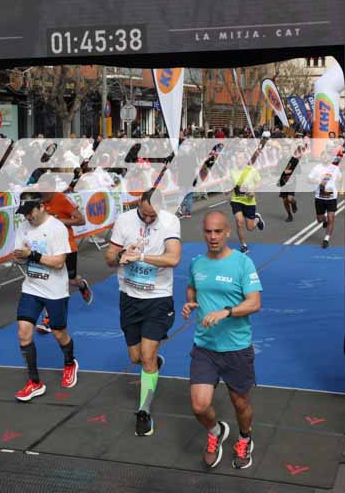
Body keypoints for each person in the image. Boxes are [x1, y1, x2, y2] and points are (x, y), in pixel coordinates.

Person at [182, 211, 262, 471]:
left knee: (240, 403)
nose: (213, 237)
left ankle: (245, 438)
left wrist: (226, 312)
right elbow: (192, 287)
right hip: (205, 347)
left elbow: (254, 303)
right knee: (199, 406)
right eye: (208, 231)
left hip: (236, 348)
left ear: (228, 232)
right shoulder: (197, 263)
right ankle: (216, 431)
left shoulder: (242, 263)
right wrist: (191, 302)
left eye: (218, 231)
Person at [104, 190, 182, 436]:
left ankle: (144, 411)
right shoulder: (124, 220)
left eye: (153, 216)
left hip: (158, 298)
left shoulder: (170, 221)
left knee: (146, 357)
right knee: (136, 357)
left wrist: (141, 256)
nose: (148, 219)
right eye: (144, 214)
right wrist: (121, 256)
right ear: (138, 204)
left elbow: (173, 258)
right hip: (129, 297)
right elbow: (108, 258)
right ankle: (154, 364)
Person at [11, 192, 78, 401]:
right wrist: (20, 257)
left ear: (41, 207)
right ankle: (34, 382)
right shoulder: (23, 227)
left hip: (55, 290)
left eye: (30, 212)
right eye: (24, 213)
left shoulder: (57, 228)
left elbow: (59, 262)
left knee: (59, 333)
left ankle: (70, 363)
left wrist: (32, 255)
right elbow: (19, 257)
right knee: (23, 333)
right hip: (31, 288)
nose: (27, 217)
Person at [35, 191, 93, 335]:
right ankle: (49, 319)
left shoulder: (62, 199)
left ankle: (81, 284)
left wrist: (58, 221)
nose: (42, 196)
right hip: (49, 249)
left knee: (71, 280)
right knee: (51, 282)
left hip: (68, 247)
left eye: (44, 192)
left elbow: (81, 220)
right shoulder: (38, 201)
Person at [229, 152, 265, 253]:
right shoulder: (232, 172)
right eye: (236, 158)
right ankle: (244, 245)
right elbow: (234, 186)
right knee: (239, 222)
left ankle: (257, 219)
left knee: (250, 227)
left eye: (240, 158)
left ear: (245, 160)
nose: (238, 160)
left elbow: (259, 183)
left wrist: (252, 190)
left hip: (249, 201)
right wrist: (229, 190)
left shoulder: (252, 171)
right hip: (236, 200)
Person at [309, 154, 342, 248]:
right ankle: (324, 221)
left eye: (327, 156)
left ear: (330, 158)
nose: (325, 158)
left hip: (331, 198)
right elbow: (309, 179)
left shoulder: (335, 168)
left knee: (331, 218)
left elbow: (340, 178)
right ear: (321, 158)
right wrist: (317, 181)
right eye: (323, 156)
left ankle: (326, 239)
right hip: (319, 197)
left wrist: (338, 185)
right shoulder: (317, 168)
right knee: (320, 219)